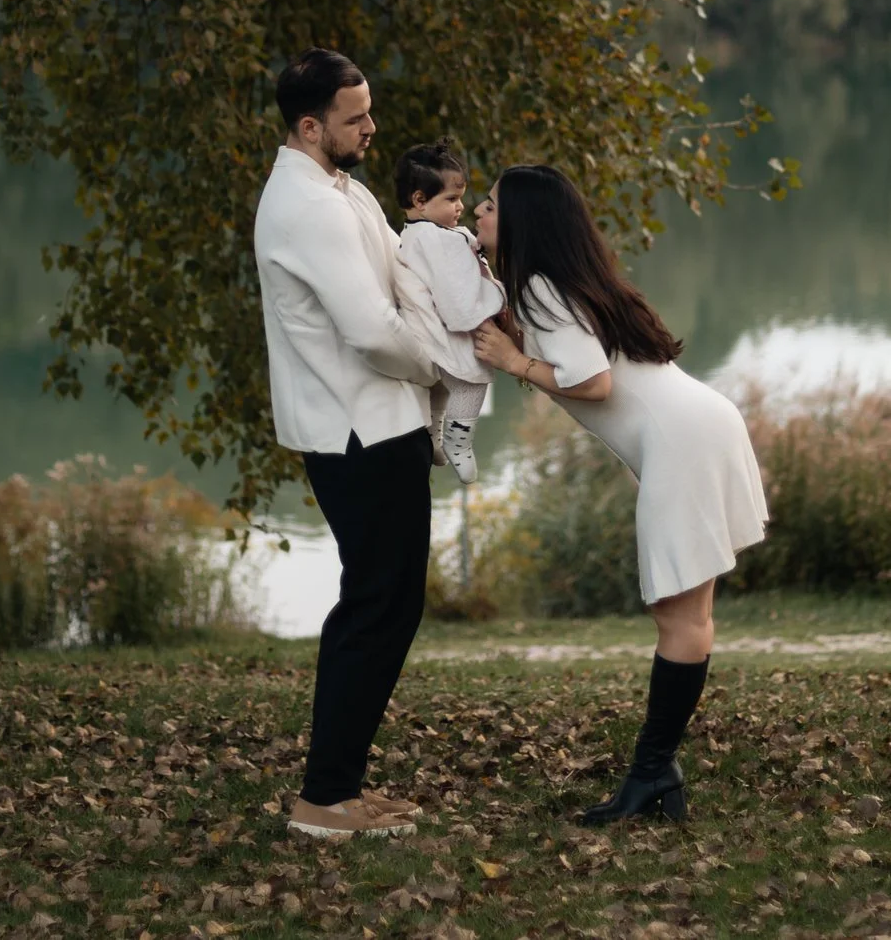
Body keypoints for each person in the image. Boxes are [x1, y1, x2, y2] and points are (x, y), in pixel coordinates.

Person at [470, 164, 768, 824]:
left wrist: (514, 361)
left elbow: (595, 382)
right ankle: (656, 775)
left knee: (678, 618)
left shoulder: (544, 287)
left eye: (488, 206)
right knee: (690, 616)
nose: (477, 213)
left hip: (683, 442)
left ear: (520, 219)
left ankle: (651, 774)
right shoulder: (558, 284)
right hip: (698, 425)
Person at [253, 47, 443, 841]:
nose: (372, 126)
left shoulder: (344, 188)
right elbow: (370, 330)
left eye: (368, 110)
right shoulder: (309, 206)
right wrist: (442, 358)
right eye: (355, 116)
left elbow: (400, 274)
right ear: (309, 125)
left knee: (388, 602)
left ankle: (338, 789)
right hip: (358, 430)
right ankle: (325, 798)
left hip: (384, 422)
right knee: (376, 604)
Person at [391, 138, 506, 483]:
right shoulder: (438, 241)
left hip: (424, 334)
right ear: (420, 200)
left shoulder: (418, 233)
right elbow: (458, 299)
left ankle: (435, 435)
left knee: (442, 389)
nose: (461, 207)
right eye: (452, 199)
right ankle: (459, 441)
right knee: (471, 383)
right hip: (444, 332)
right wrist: (495, 298)